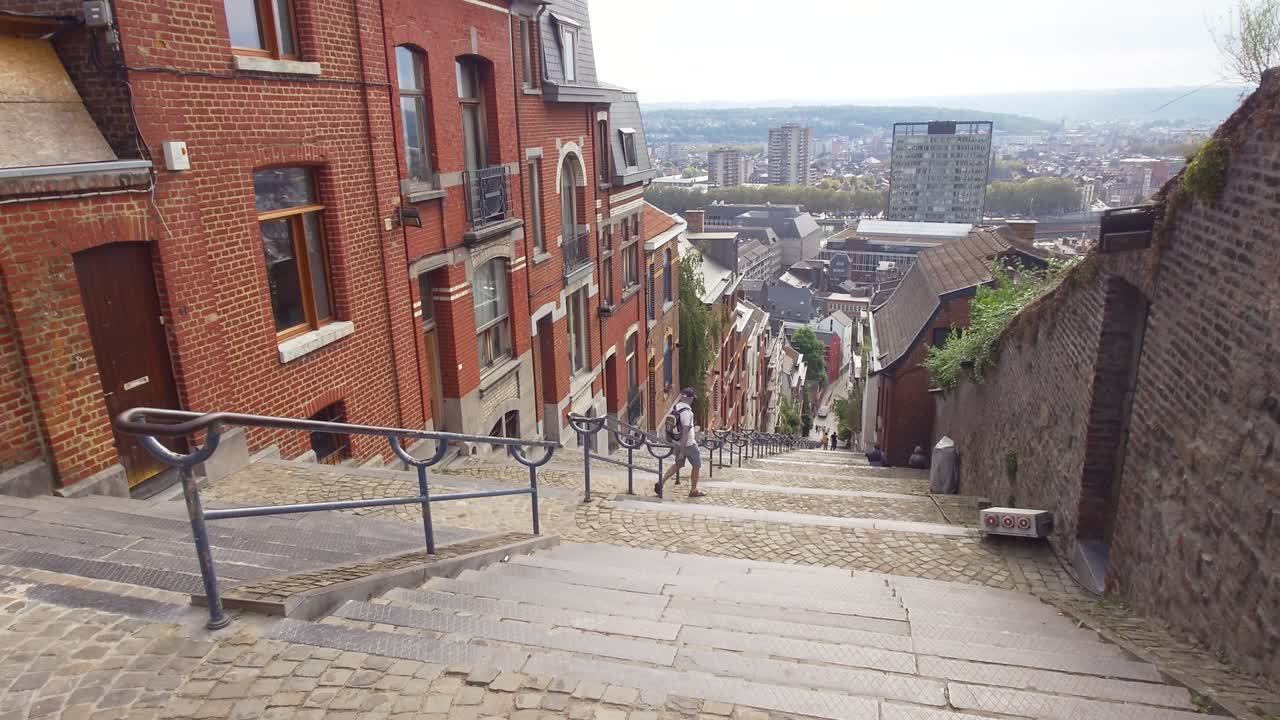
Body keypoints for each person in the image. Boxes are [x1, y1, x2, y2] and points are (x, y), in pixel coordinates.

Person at [657, 388, 703, 499]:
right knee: (696, 466)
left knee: (678, 464)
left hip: (677, 443)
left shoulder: (676, 408)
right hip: (688, 444)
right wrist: (682, 451)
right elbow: (685, 433)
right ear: (691, 398)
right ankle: (693, 490)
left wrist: (674, 444)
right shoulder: (687, 413)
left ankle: (661, 482)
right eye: (693, 398)